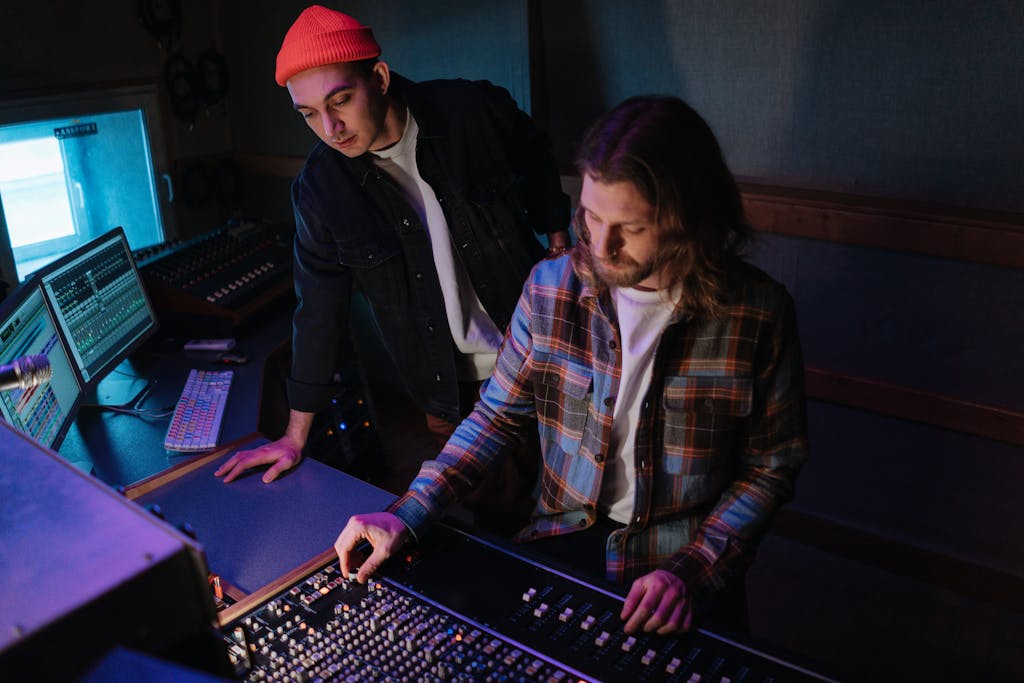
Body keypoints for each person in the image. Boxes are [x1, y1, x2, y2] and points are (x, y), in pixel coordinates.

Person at [334, 95, 809, 636]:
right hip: (561, 539)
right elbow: (495, 419)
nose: (599, 247)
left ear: (688, 220)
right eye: (590, 215)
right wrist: (409, 511)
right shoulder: (550, 286)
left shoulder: (758, 314)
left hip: (681, 564)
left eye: (629, 227)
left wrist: (694, 571)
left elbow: (771, 465)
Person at [215, 5, 570, 528]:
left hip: (547, 356)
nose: (330, 127)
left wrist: (560, 247)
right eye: (309, 114)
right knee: (500, 532)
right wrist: (294, 435)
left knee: (581, 518)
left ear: (378, 78)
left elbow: (536, 154)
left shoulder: (471, 110)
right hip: (451, 394)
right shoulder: (320, 190)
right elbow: (318, 311)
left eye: (340, 100)